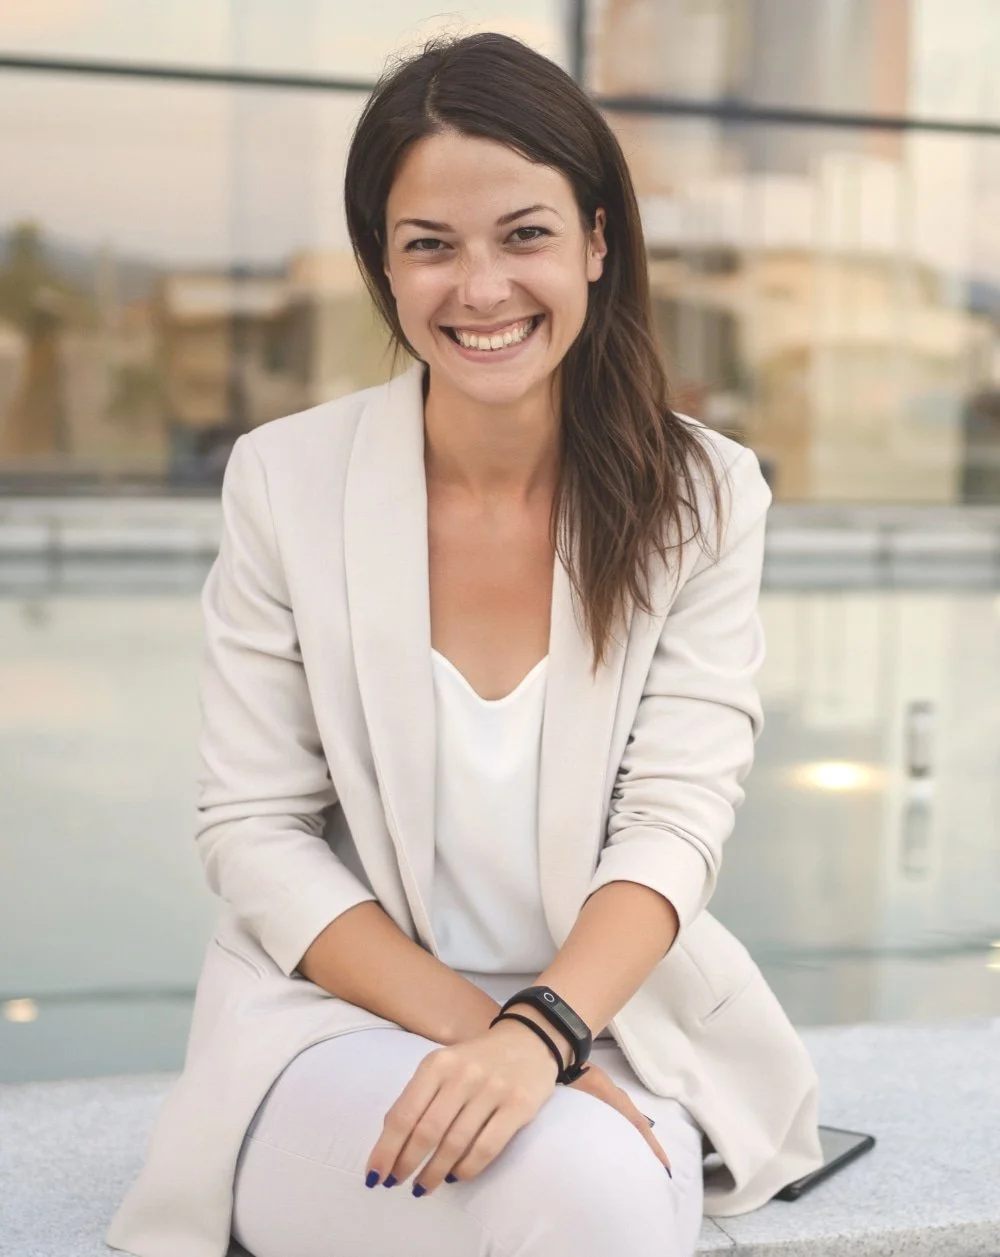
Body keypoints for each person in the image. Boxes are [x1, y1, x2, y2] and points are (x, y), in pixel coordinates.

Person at [105, 31, 823, 1257]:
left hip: (609, 1017)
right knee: (587, 1197)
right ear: (384, 271)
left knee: (595, 1192)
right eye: (429, 247)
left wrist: (542, 1033)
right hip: (335, 1020)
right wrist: (482, 1037)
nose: (480, 288)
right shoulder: (286, 480)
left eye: (524, 234)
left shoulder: (706, 492)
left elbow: (674, 818)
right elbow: (255, 831)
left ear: (599, 241)